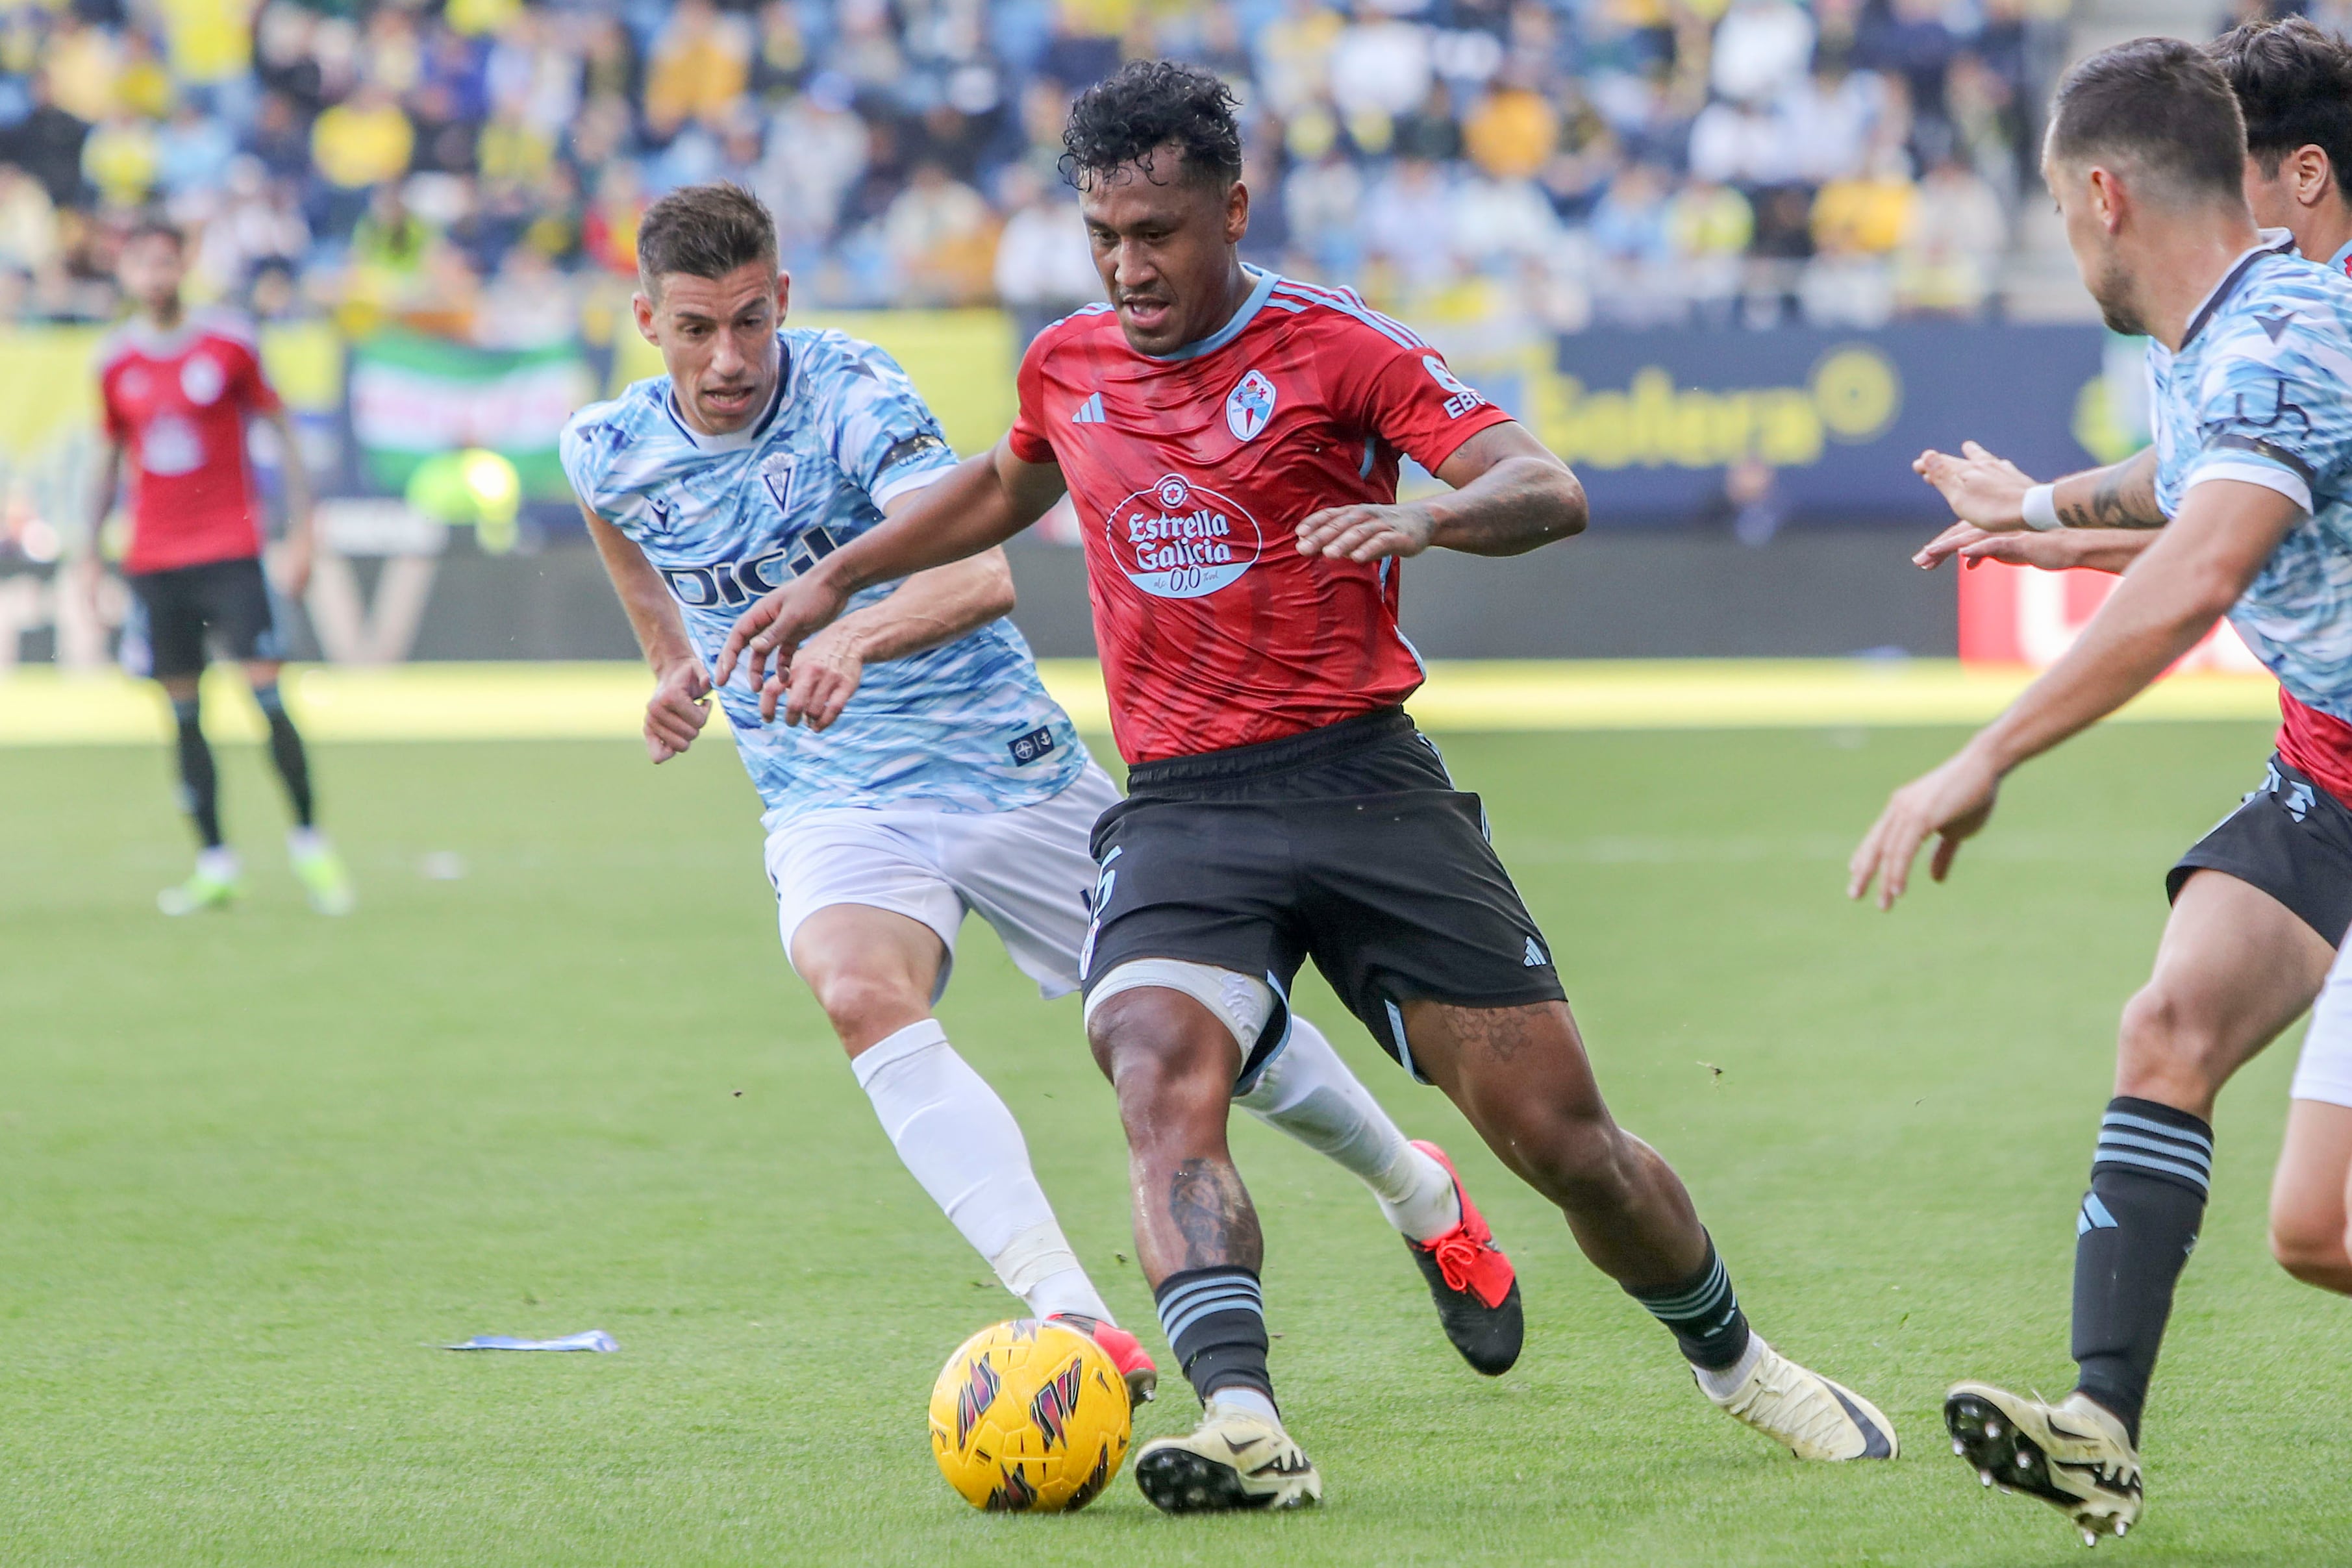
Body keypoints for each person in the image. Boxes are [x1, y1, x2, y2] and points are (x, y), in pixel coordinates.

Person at [715, 64, 1897, 1515]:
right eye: (1102, 233)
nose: (1128, 265)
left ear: (1232, 207)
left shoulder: (1339, 349)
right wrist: (837, 575)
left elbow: (1548, 484)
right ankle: (1243, 1422)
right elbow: (1013, 482)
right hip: (1182, 805)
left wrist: (1434, 510)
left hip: (1359, 786)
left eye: (1156, 230)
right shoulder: (1070, 361)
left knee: (1558, 1142)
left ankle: (1740, 1365)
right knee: (1150, 1062)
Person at [558, 181, 1535, 1416]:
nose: (729, 358)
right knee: (859, 995)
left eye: (751, 322)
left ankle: (1418, 1191)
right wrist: (670, 663)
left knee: (1225, 1048)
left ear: (784, 300)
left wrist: (855, 637)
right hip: (826, 795)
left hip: (998, 773)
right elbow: (617, 518)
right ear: (648, 321)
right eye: (697, 329)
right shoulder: (608, 442)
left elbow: (978, 579)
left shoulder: (854, 397)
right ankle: (1072, 1316)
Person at [1847, 37, 2352, 1545]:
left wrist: (1979, 752)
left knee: (2315, 1226)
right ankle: (2095, 1430)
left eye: (2062, 213)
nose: (2068, 239)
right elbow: (2182, 477)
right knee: (2168, 1024)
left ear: (2102, 194)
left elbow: (2203, 564)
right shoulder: (2213, 336)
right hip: (2326, 766)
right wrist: (2045, 514)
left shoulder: (2280, 335)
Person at [80, 216, 352, 917]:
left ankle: (310, 844)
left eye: (166, 263)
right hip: (153, 558)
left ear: (183, 268)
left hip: (229, 552)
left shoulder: (229, 344)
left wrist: (302, 531)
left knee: (266, 698)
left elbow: (282, 429)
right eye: (142, 264)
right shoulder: (113, 361)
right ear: (126, 274)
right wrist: (88, 554)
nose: (155, 276)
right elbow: (107, 459)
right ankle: (215, 862)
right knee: (181, 712)